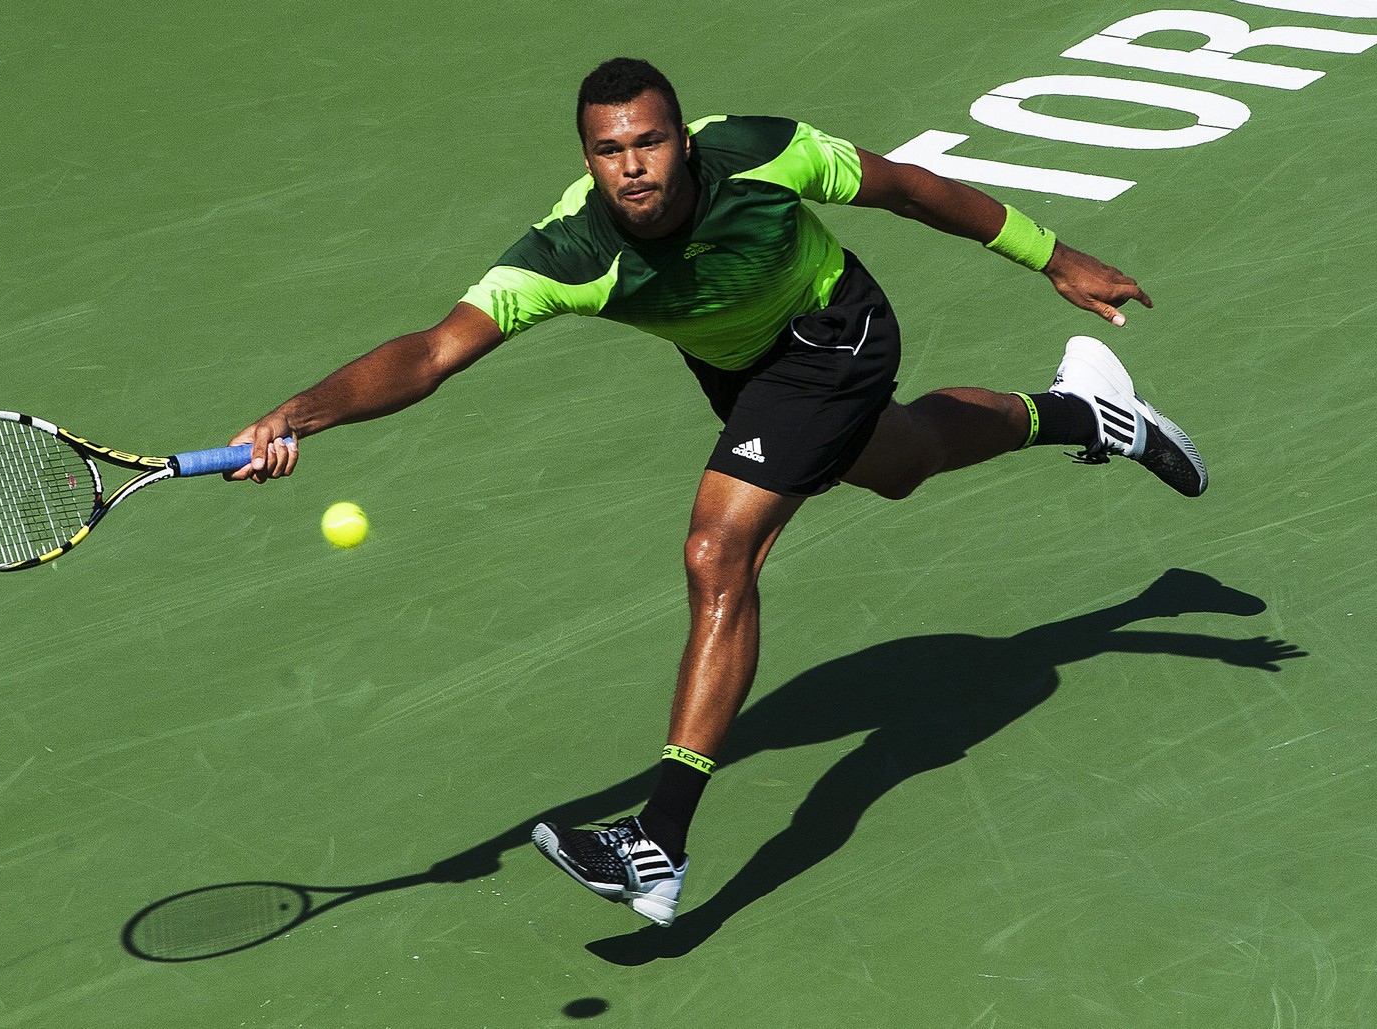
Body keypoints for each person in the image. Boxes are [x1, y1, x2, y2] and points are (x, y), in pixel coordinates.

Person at [225, 57, 1206, 928]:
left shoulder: (763, 153)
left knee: (718, 550)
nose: (633, 167)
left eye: (649, 142)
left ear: (683, 140)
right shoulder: (570, 254)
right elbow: (433, 351)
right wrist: (295, 415)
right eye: (610, 152)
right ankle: (1090, 412)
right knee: (899, 462)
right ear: (588, 159)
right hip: (742, 374)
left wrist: (1057, 258)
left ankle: (659, 844)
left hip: (835, 331)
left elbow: (910, 187)